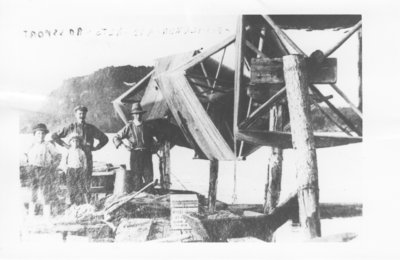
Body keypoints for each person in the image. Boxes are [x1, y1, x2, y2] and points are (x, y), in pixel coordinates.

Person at [51, 105, 109, 196]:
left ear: (86, 114)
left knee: (86, 180)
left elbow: (105, 139)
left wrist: (95, 148)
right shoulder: (70, 127)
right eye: (79, 113)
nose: (81, 115)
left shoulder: (91, 128)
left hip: (87, 157)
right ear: (75, 115)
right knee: (72, 182)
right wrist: (66, 146)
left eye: (83, 113)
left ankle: (85, 203)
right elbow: (54, 136)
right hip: (73, 159)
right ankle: (74, 203)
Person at [113, 103, 156, 192]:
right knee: (136, 179)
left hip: (147, 155)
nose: (138, 115)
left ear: (142, 114)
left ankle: (149, 199)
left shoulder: (147, 126)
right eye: (136, 114)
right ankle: (138, 199)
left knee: (149, 178)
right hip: (135, 155)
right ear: (133, 115)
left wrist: (155, 146)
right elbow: (116, 137)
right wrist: (124, 145)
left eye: (139, 113)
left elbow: (154, 139)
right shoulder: (129, 126)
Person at [25, 123, 61, 217]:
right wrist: (27, 163)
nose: (40, 135)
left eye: (42, 133)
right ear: (34, 135)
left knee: (46, 191)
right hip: (33, 170)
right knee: (33, 191)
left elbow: (58, 156)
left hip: (45, 170)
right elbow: (25, 155)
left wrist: (53, 166)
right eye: (38, 133)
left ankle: (47, 214)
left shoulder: (48, 145)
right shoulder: (31, 145)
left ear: (45, 135)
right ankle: (31, 214)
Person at [64, 133, 88, 205]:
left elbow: (85, 161)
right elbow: (65, 162)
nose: (75, 143)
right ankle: (71, 203)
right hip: (70, 170)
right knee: (71, 188)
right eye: (73, 141)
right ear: (70, 142)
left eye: (77, 141)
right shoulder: (68, 151)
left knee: (80, 187)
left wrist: (84, 169)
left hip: (79, 170)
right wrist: (66, 170)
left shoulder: (81, 152)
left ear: (79, 142)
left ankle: (81, 204)